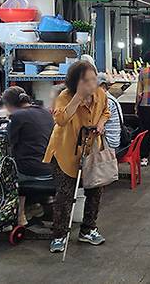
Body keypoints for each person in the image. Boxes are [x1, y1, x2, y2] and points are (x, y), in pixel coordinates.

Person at [43, 60, 111, 253]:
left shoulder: (100, 94)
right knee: (65, 195)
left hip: (90, 150)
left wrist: (100, 124)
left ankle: (88, 229)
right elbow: (61, 120)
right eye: (87, 81)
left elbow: (106, 112)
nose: (92, 84)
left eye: (93, 79)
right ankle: (59, 235)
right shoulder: (64, 96)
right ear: (76, 82)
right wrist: (78, 97)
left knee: (95, 190)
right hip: (64, 151)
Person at [2, 86, 54, 227]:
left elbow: (9, 142)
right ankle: (36, 205)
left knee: (4, 170)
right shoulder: (45, 112)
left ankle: (19, 216)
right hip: (51, 170)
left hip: (32, 171)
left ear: (10, 105)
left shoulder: (17, 116)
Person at [97, 73, 122, 151]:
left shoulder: (107, 101)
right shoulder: (109, 98)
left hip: (109, 142)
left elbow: (96, 122)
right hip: (112, 139)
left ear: (103, 87)